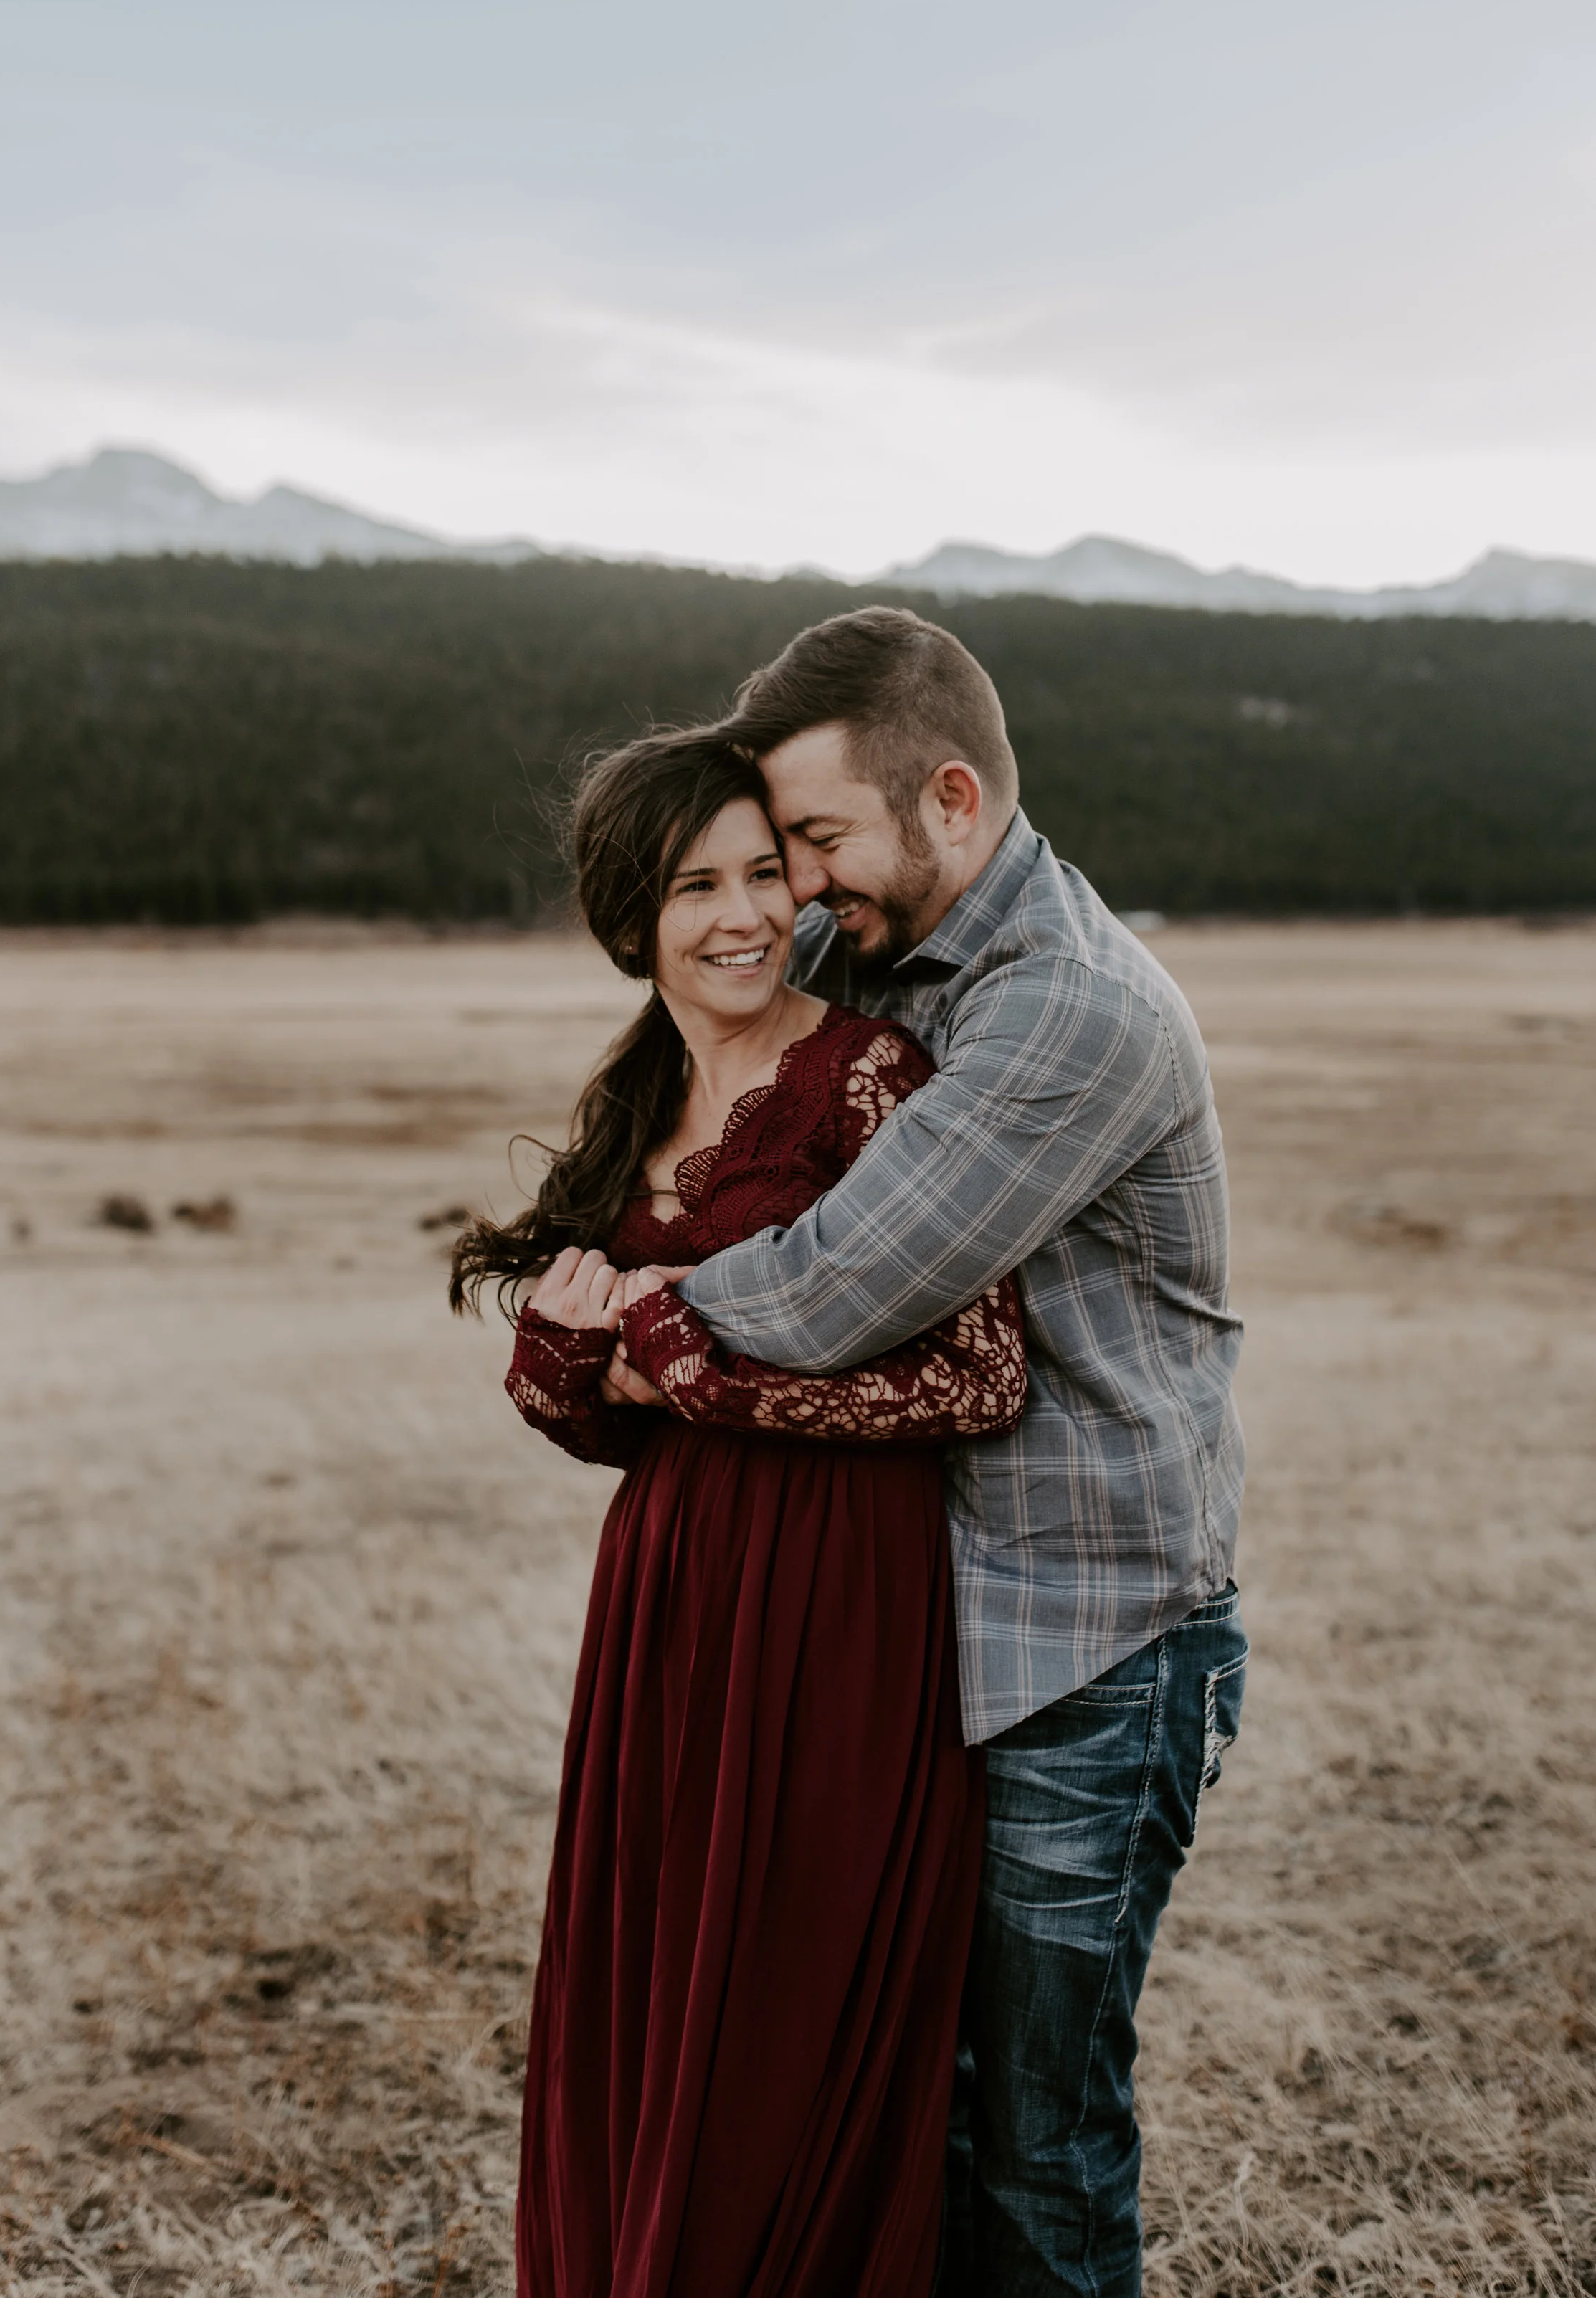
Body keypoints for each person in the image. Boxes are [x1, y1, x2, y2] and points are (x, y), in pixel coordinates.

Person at [599, 609, 1247, 2298]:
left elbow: (836, 1287)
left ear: (949, 799)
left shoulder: (1073, 1011)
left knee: (1030, 2137)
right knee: (901, 2114)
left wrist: (623, 1327)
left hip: (1082, 1651)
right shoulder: (875, 958)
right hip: (913, 1642)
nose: (792, 891)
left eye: (814, 840)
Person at [450, 727, 1027, 2298]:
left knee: (784, 2018)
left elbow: (973, 1379)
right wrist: (568, 1361)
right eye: (693, 884)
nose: (741, 915)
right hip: (668, 1603)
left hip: (843, 1602)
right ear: (628, 921)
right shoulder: (632, 1102)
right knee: (653, 2003)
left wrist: (668, 1355)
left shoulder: (869, 1082)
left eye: (764, 873)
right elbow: (589, 1408)